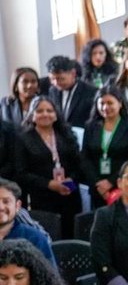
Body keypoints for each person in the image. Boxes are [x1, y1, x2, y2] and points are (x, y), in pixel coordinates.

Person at [14, 96, 83, 239]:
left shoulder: (67, 135)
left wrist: (70, 181)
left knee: (72, 236)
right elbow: (22, 173)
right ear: (32, 116)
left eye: (49, 110)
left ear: (56, 115)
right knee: (49, 237)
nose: (45, 114)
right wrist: (50, 184)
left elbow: (79, 165)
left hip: (70, 196)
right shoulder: (23, 139)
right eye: (39, 111)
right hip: (42, 199)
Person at [80, 89, 128, 207]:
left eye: (110, 103)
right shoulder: (90, 126)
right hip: (97, 188)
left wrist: (111, 182)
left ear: (120, 103)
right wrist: (97, 184)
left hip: (123, 186)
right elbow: (85, 157)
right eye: (102, 103)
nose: (105, 107)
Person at [0, 178, 55, 264]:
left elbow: (50, 275)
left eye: (6, 201)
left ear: (17, 206)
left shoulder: (35, 238)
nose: (1, 207)